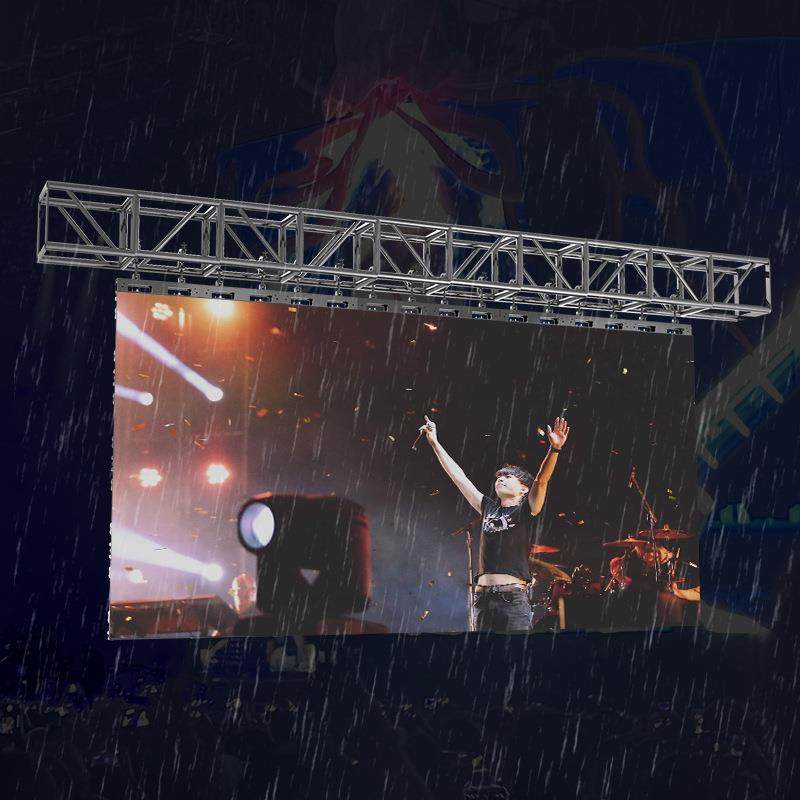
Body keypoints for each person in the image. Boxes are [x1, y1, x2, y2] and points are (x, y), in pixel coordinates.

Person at [420, 414, 570, 633]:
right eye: (499, 476)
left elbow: (541, 480)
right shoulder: (488, 507)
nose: (501, 479)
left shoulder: (526, 509)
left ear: (523, 489)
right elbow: (459, 477)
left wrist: (554, 449)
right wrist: (434, 442)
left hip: (512, 600)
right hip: (482, 600)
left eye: (508, 477)